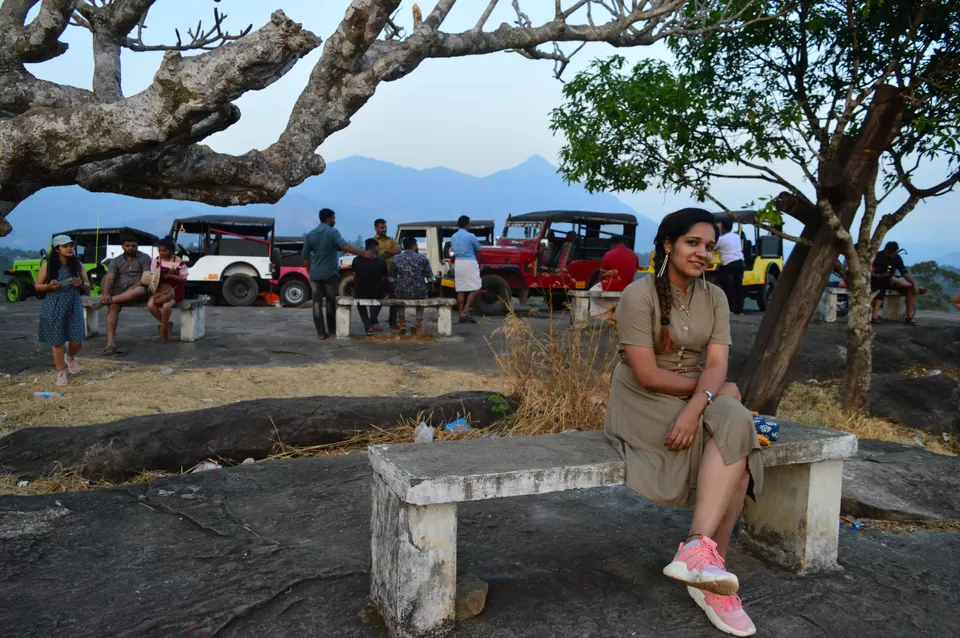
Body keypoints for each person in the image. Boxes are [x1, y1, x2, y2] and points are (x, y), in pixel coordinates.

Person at [605, 208, 762, 637]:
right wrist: (712, 393)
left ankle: (699, 555)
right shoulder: (639, 295)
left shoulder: (715, 297)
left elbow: (717, 364)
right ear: (668, 244)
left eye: (709, 246)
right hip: (643, 398)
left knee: (737, 422)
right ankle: (709, 575)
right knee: (737, 448)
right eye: (693, 243)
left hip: (698, 395)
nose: (702, 253)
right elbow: (647, 374)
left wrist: (697, 407)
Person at [302, 208, 367, 340]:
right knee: (330, 302)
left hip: (315, 274)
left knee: (316, 304)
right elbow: (343, 246)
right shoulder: (332, 232)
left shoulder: (311, 234)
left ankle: (321, 333)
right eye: (334, 218)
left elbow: (305, 256)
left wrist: (310, 272)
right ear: (329, 219)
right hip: (330, 274)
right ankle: (331, 329)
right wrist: (361, 253)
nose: (335, 221)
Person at [36, 235, 91, 386]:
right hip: (54, 305)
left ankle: (70, 357)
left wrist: (80, 283)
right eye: (65, 246)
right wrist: (49, 286)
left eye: (71, 246)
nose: (69, 248)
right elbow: (37, 286)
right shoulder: (48, 266)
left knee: (77, 340)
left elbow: (87, 285)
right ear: (57, 249)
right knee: (57, 341)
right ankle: (60, 372)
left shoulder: (78, 265)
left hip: (73, 304)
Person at [99, 233, 152, 355]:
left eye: (133, 246)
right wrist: (105, 293)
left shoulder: (145, 258)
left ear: (137, 246)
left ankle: (110, 300)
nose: (130, 248)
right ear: (122, 246)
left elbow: (146, 277)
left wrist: (134, 287)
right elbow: (110, 278)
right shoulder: (116, 261)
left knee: (139, 290)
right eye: (127, 246)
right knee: (112, 307)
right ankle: (110, 343)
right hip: (120, 290)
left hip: (139, 289)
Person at [871, 241, 926, 326]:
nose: (893, 255)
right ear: (886, 250)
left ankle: (909, 318)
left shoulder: (896, 257)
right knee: (882, 286)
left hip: (891, 280)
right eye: (891, 253)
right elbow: (868, 270)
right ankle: (874, 316)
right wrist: (878, 275)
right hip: (876, 281)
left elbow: (904, 272)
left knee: (910, 289)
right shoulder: (877, 256)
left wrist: (913, 283)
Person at [146, 237, 189, 342]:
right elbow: (153, 276)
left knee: (166, 306)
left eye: (164, 251)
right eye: (160, 250)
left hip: (175, 290)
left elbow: (184, 279)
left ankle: (163, 329)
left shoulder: (178, 262)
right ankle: (166, 325)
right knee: (150, 305)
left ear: (171, 250)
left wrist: (171, 277)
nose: (161, 253)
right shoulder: (156, 260)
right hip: (160, 289)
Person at [390, 236, 435, 334]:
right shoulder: (422, 258)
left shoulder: (396, 258)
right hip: (419, 291)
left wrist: (393, 289)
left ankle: (402, 324)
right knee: (421, 299)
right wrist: (431, 286)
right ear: (414, 245)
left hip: (401, 292)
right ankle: (417, 324)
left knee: (398, 300)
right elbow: (430, 277)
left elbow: (392, 278)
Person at [589, 235, 639, 317]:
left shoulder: (609, 254)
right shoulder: (634, 255)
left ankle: (601, 314)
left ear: (612, 244)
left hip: (610, 286)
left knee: (592, 291)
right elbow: (634, 271)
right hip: (627, 287)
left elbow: (601, 277)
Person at [353, 238, 389, 335]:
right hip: (376, 292)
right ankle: (373, 320)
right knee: (380, 297)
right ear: (375, 247)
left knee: (360, 303)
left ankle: (368, 326)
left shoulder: (356, 260)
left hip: (360, 291)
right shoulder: (381, 261)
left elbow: (354, 276)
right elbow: (383, 279)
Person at [451, 215, 482, 323]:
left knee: (461, 289)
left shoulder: (453, 237)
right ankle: (465, 311)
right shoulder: (470, 236)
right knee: (476, 287)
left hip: (458, 263)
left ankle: (461, 314)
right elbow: (478, 248)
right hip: (469, 262)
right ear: (467, 224)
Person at [374, 218, 402, 329]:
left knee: (394, 298)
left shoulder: (391, 239)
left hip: (392, 273)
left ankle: (393, 322)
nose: (384, 229)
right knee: (378, 298)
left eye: (385, 227)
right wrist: (391, 251)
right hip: (379, 275)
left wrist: (385, 252)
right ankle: (374, 321)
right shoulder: (373, 241)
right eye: (382, 227)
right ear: (376, 228)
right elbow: (378, 255)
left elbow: (398, 250)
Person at [715, 217, 745, 314]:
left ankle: (731, 309)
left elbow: (713, 247)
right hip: (740, 262)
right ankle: (740, 309)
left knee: (729, 287)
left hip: (729, 264)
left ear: (723, 228)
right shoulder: (737, 237)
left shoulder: (721, 239)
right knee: (738, 286)